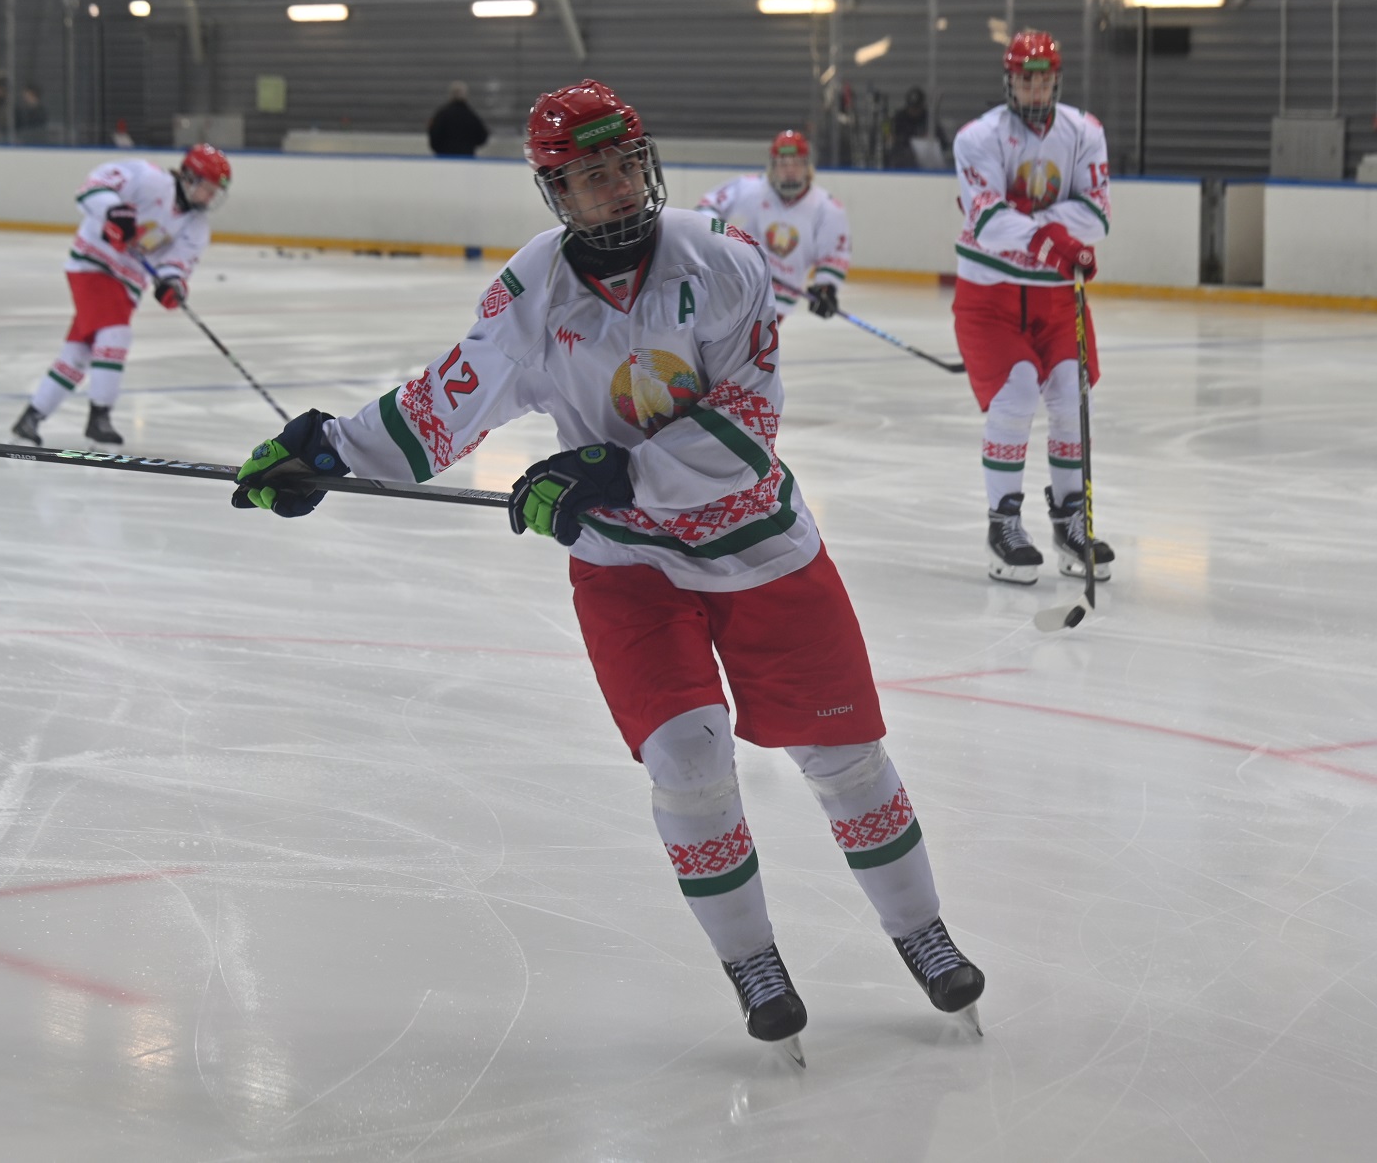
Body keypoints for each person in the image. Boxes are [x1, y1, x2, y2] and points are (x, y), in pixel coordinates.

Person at [229, 79, 985, 1058]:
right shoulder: (530, 294)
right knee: (688, 764)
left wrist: (615, 469)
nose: (618, 188)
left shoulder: (723, 260)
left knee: (845, 758)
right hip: (627, 565)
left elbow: (748, 426)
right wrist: (331, 451)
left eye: (626, 165)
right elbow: (444, 405)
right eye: (591, 177)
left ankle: (922, 934)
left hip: (759, 545)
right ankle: (753, 961)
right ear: (556, 191)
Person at [951, 30, 1115, 584]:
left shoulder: (1085, 131)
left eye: (1043, 79)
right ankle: (1003, 526)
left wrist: (1023, 215)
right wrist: (1054, 235)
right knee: (1016, 394)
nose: (1035, 89)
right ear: (1010, 81)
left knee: (1071, 395)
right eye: (1026, 79)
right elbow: (987, 223)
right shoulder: (977, 138)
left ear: (1057, 80)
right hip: (989, 295)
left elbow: (1099, 218)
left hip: (1057, 295)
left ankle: (1072, 523)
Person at [11, 145, 231, 447]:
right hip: (93, 263)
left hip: (128, 283)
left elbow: (176, 264)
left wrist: (172, 284)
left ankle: (31, 417)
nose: (211, 197)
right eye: (208, 188)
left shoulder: (196, 226)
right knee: (116, 335)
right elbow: (91, 188)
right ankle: (99, 417)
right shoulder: (148, 178)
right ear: (190, 177)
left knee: (80, 352)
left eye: (215, 192)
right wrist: (113, 210)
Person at [696, 131, 849, 321]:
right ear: (773, 165)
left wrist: (826, 287)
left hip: (777, 301)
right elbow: (708, 205)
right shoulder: (749, 187)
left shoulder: (827, 208)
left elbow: (834, 255)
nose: (790, 170)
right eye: (783, 164)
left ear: (807, 166)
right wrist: (715, 233)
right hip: (737, 284)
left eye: (797, 163)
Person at [427, 81, 490, 157]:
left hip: (445, 157)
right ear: (465, 95)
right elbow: (483, 136)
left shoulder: (442, 115)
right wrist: (469, 145)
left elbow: (434, 136)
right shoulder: (471, 116)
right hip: (466, 157)